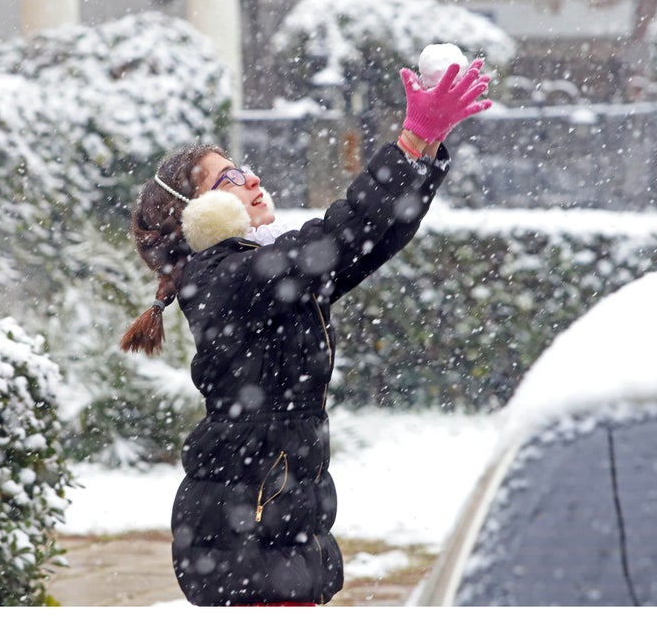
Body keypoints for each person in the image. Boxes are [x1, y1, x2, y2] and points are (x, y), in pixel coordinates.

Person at [120, 60, 493, 606]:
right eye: (229, 179)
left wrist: (427, 151)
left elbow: (369, 241)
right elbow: (339, 235)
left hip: (273, 530)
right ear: (198, 213)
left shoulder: (249, 270)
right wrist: (408, 141)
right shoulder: (223, 277)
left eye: (243, 168)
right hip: (246, 537)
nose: (251, 179)